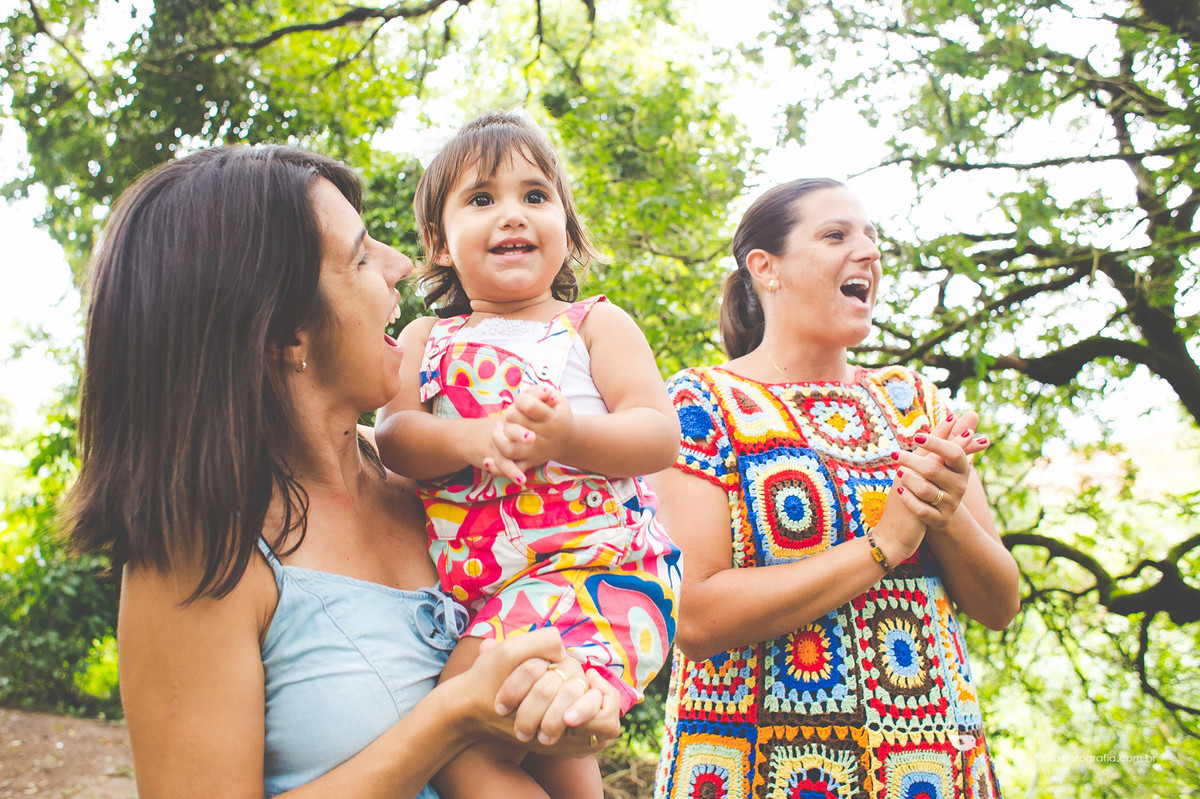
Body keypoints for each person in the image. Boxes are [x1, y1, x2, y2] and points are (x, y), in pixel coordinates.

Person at [60, 144, 621, 799]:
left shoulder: (444, 478)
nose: (400, 264)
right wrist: (449, 719)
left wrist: (574, 699)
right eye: (360, 255)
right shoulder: (199, 552)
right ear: (286, 331)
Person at [651, 178, 1020, 798]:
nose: (869, 253)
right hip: (752, 770)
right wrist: (881, 546)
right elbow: (694, 615)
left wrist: (945, 511)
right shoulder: (700, 403)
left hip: (932, 770)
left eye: (872, 238)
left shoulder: (913, 402)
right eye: (836, 235)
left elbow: (999, 604)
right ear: (765, 268)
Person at [375, 110, 682, 799]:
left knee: (450, 744)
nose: (512, 214)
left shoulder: (594, 324)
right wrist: (470, 438)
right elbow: (395, 438)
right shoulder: (428, 334)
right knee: (551, 748)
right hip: (487, 593)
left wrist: (568, 436)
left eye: (534, 196)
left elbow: (657, 434)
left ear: (567, 233)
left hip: (594, 570)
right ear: (440, 242)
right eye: (482, 199)